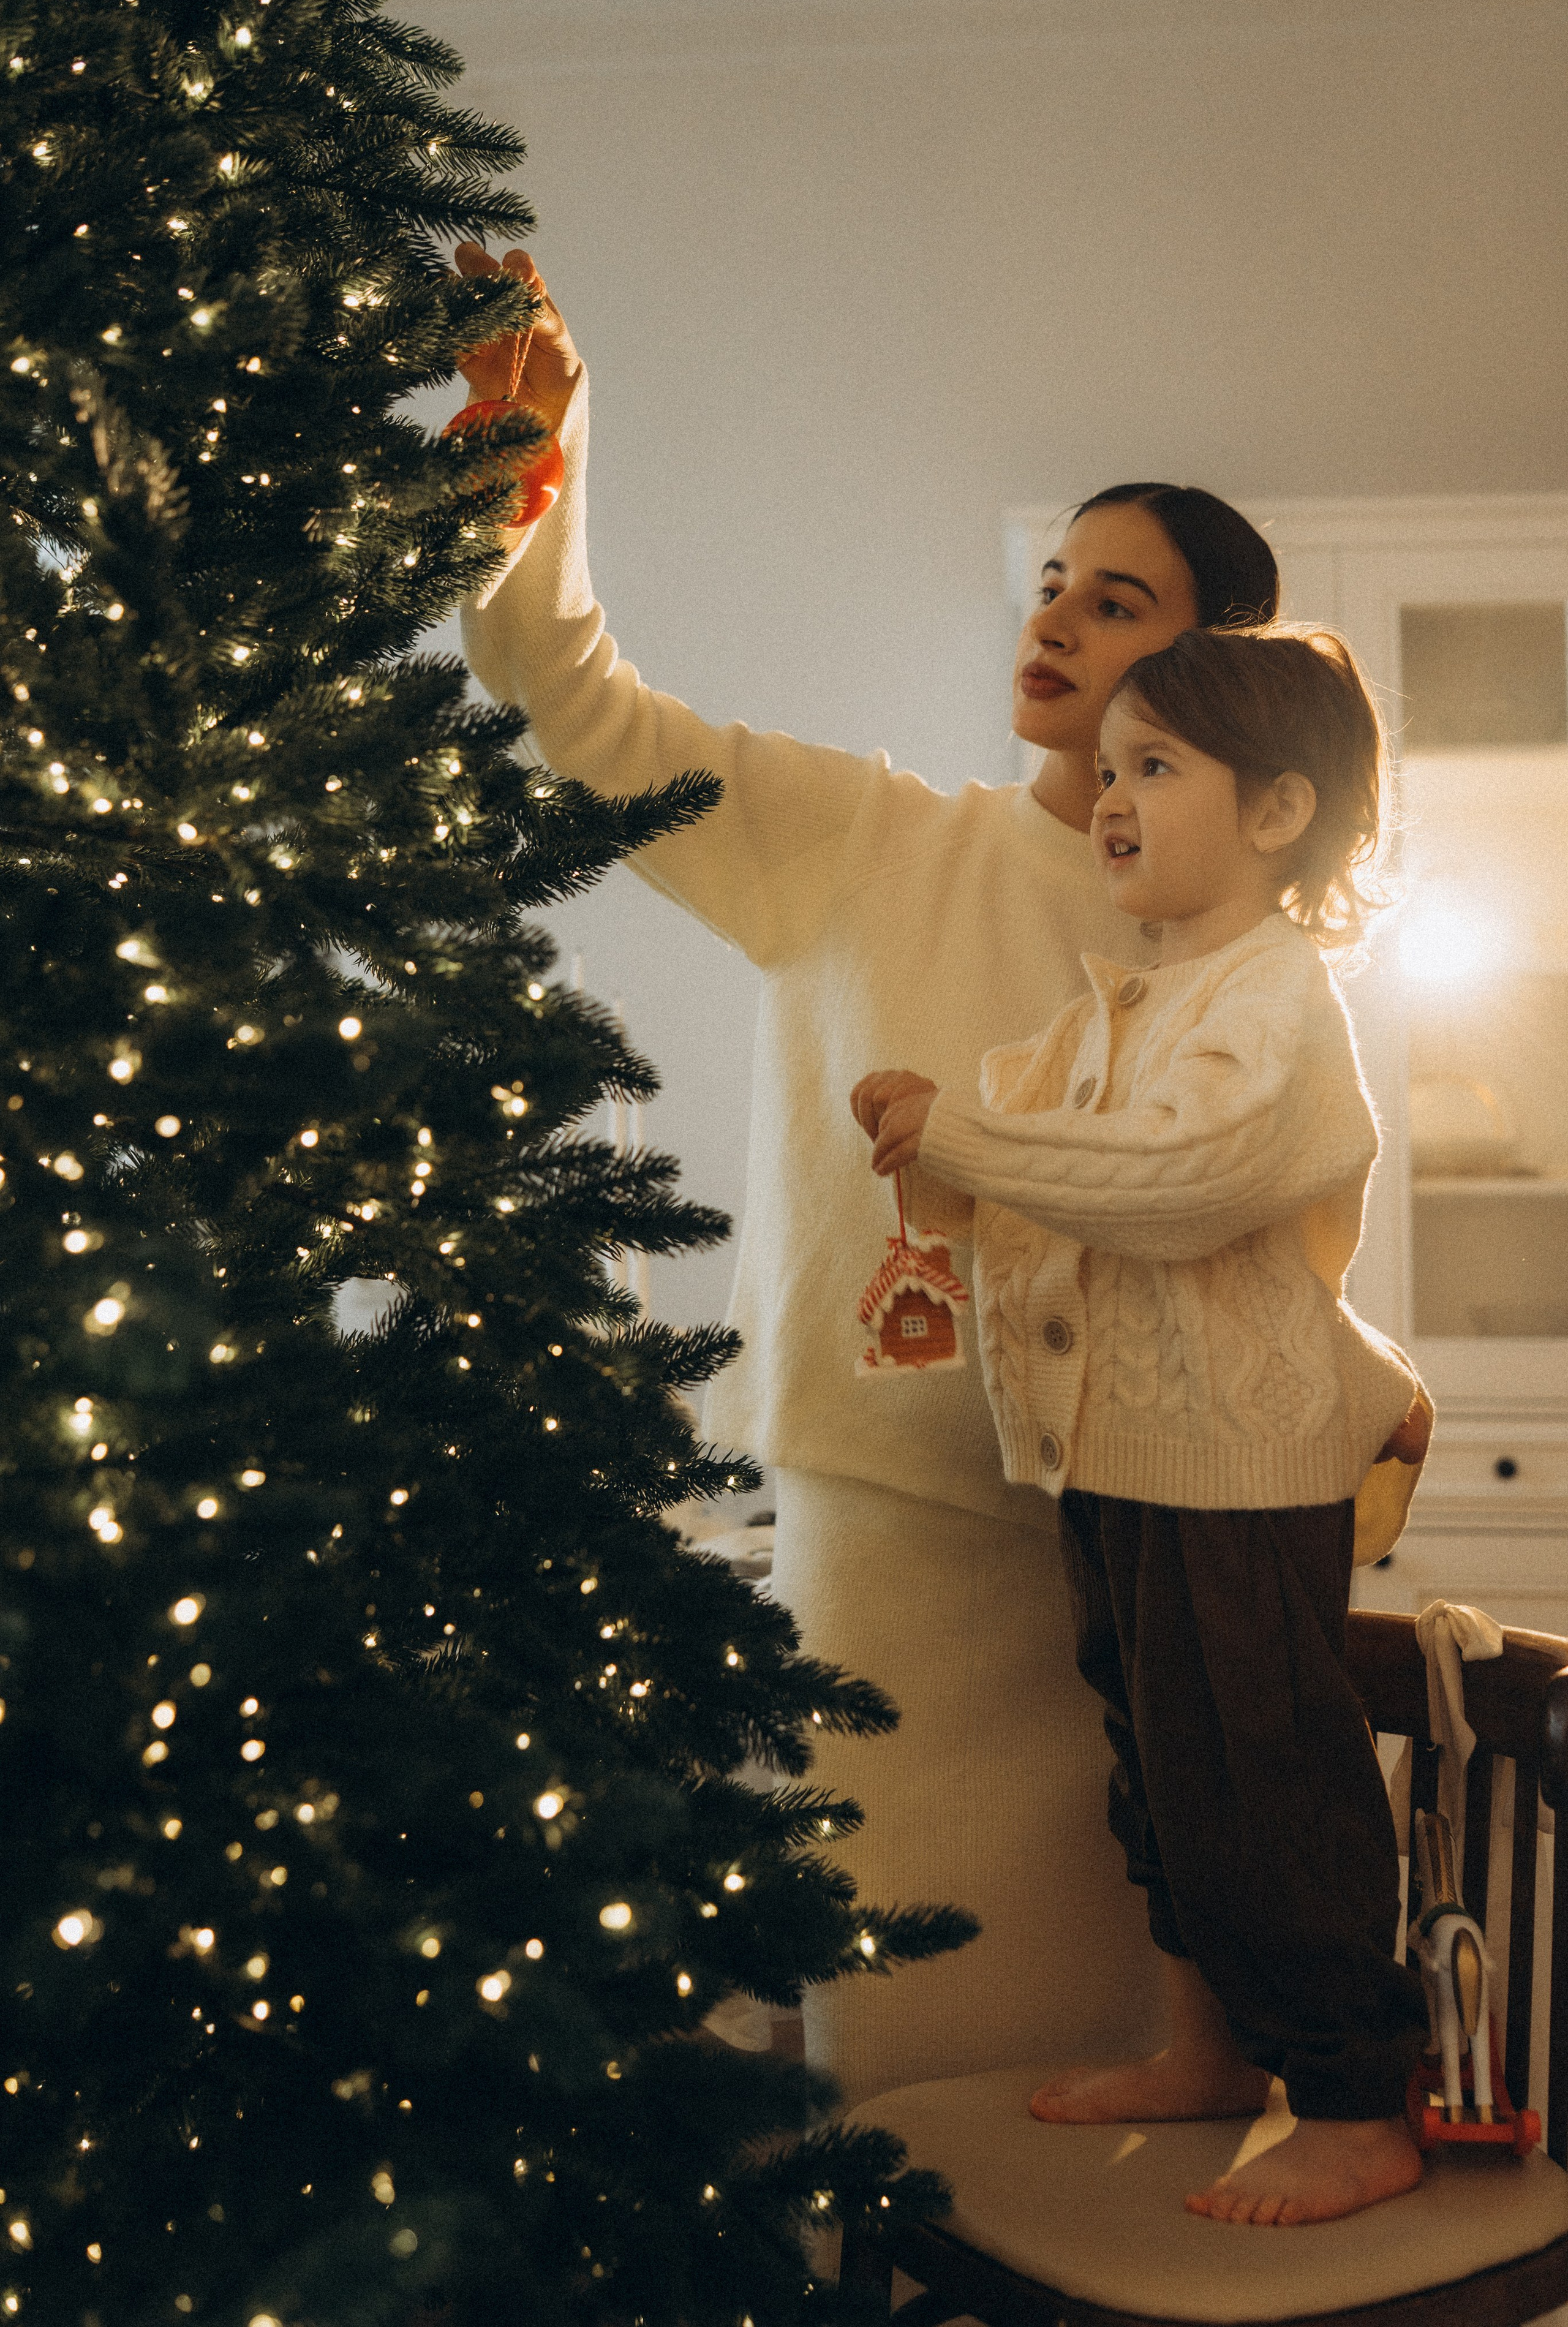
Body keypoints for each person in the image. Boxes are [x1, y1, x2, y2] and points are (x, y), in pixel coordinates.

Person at [450, 242, 1409, 2110]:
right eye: (1051, 582)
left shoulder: (1232, 947)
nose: (1050, 619)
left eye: (1114, 600)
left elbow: (1233, 1199)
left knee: (1148, 2048)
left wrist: (1372, 1367)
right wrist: (524, 473)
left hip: (1145, 1541)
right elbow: (575, 705)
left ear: (1210, 666)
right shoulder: (865, 839)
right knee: (911, 2086)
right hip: (888, 1536)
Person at [850, 624, 1432, 2225]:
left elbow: (1180, 1187)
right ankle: (1211, 2050)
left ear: (1276, 814)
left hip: (1242, 1479)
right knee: (1164, 1775)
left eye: (1155, 767)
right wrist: (936, 1143)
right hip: (1111, 1463)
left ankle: (1357, 2098)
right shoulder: (1124, 1007)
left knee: (1268, 1781)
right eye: (1106, 768)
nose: (1109, 797)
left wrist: (974, 1134)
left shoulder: (1277, 1005)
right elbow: (1030, 1188)